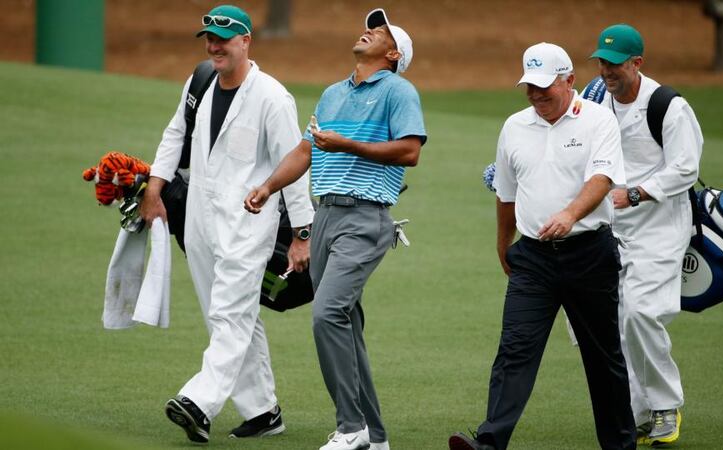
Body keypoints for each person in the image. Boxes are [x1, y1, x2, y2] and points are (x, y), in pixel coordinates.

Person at [244, 8, 426, 450]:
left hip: (365, 219)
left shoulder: (398, 90)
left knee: (327, 314)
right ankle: (377, 438)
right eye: (369, 27)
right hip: (325, 217)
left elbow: (409, 151)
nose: (367, 32)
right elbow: (306, 151)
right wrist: (269, 186)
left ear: (393, 53)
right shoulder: (331, 94)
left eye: (379, 31)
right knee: (346, 324)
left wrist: (347, 145)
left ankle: (352, 428)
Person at [139, 4, 315, 444]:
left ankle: (199, 402)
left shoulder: (273, 98)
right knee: (230, 318)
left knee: (230, 316)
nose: (214, 45)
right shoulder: (199, 81)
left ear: (246, 41)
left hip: (248, 225)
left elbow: (295, 164)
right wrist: (153, 187)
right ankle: (263, 411)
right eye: (209, 38)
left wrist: (301, 234)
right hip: (200, 218)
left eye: (223, 37)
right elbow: (174, 133)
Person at [448, 42, 635, 450]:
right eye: (529, 86)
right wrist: (504, 244)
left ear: (569, 80)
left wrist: (570, 215)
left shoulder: (598, 120)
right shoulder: (515, 126)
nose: (535, 95)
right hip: (532, 258)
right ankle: (489, 443)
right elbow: (505, 192)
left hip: (589, 254)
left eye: (544, 86)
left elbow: (603, 179)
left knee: (602, 358)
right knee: (514, 350)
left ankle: (620, 445)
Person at [588, 24, 703, 446]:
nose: (605, 70)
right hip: (609, 227)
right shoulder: (596, 99)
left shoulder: (667, 105)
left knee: (639, 313)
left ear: (637, 63)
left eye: (614, 64)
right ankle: (635, 411)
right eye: (601, 61)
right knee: (613, 324)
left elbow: (686, 167)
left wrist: (634, 193)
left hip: (660, 226)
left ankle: (666, 405)